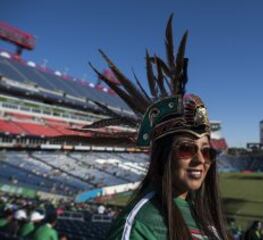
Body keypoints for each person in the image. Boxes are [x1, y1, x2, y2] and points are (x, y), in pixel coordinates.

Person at [88, 15, 229, 240]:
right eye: (186, 148)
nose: (201, 159)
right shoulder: (137, 226)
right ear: (162, 156)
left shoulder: (200, 213)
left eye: (207, 151)